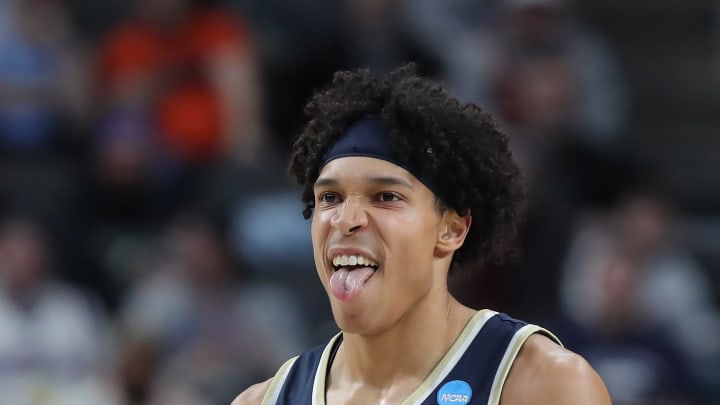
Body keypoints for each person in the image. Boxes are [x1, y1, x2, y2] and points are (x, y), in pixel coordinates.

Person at [232, 64, 611, 404]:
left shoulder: (543, 385)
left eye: (385, 197)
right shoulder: (265, 399)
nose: (345, 220)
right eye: (330, 197)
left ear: (452, 229)